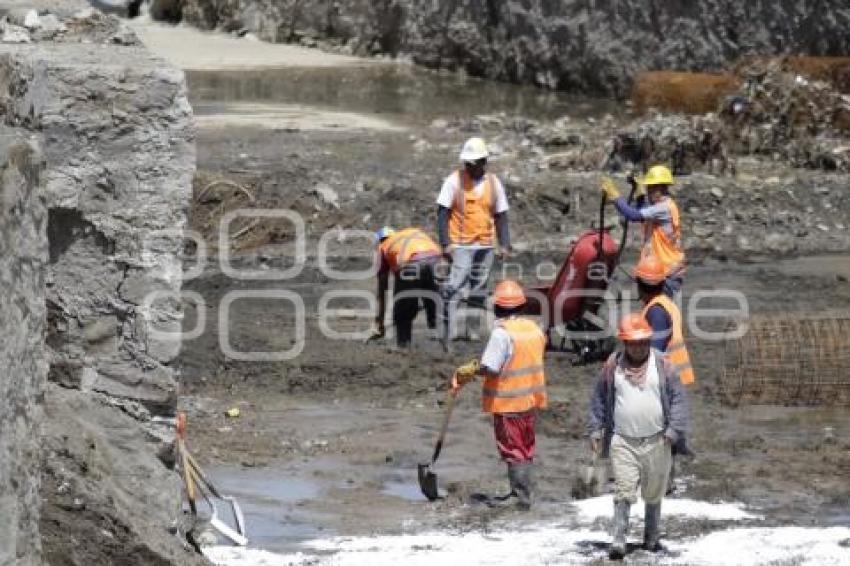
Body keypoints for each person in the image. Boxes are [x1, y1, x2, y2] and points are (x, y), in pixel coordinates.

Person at [587, 314, 688, 559]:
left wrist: (674, 431)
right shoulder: (613, 366)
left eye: (643, 342)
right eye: (633, 343)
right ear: (624, 343)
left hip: (658, 440)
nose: (638, 347)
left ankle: (651, 538)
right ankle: (618, 539)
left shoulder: (663, 365)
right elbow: (599, 399)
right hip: (623, 441)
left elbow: (679, 401)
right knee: (623, 490)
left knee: (654, 490)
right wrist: (595, 429)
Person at [451, 280, 546, 510]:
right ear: (521, 306)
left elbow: (491, 367)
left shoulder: (501, 334)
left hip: (508, 401)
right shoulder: (535, 329)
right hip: (530, 400)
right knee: (525, 447)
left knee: (513, 448)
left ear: (497, 308)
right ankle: (524, 491)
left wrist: (471, 370)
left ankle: (520, 496)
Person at [437, 137, 511, 349]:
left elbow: (501, 215)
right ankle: (446, 333)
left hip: (485, 245)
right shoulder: (454, 181)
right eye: (467, 163)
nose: (469, 167)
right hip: (460, 245)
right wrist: (445, 243)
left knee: (479, 287)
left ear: (483, 162)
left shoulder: (494, 183)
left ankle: (471, 332)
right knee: (455, 286)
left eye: (473, 163)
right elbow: (442, 213)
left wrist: (504, 243)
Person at [600, 165, 685, 297]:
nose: (649, 191)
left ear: (661, 188)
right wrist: (640, 193)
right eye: (647, 188)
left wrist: (614, 195)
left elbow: (633, 215)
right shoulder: (660, 207)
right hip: (663, 271)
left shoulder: (663, 208)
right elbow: (643, 214)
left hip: (667, 272)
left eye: (651, 188)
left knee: (658, 311)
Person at [373, 226, 441, 348]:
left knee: (402, 308)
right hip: (435, 258)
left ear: (380, 240)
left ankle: (403, 345)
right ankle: (440, 341)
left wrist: (380, 323)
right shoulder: (411, 232)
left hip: (411, 262)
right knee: (433, 301)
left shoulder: (383, 247)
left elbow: (382, 290)